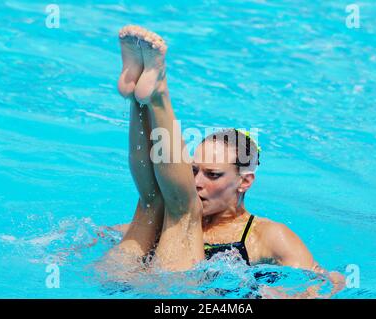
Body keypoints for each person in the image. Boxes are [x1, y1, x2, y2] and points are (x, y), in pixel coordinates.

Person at [108, 25, 344, 298]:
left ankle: (147, 97)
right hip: (127, 283)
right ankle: (142, 96)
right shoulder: (170, 217)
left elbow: (327, 283)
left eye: (213, 175)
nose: (196, 182)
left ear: (245, 181)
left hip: (160, 291)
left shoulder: (266, 235)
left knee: (167, 204)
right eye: (192, 170)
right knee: (157, 202)